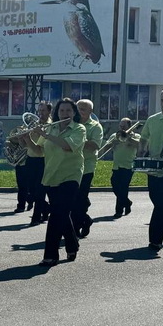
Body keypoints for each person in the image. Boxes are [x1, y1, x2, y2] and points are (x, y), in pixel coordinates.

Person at [23, 98, 85, 266]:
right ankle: (72, 245)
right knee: (62, 214)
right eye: (62, 111)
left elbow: (67, 145)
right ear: (57, 112)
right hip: (52, 176)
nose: (65, 114)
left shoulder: (79, 129)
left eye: (69, 111)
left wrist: (45, 134)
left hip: (70, 176)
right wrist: (27, 139)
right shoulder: (52, 128)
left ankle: (50, 255)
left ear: (74, 113)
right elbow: (38, 151)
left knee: (56, 215)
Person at [139, 88, 163, 250]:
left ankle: (155, 240)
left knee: (162, 204)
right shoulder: (152, 119)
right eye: (162, 100)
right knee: (159, 203)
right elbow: (143, 137)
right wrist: (141, 151)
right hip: (153, 168)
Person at [68, 99, 103, 239]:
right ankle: (86, 220)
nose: (80, 111)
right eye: (78, 108)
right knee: (73, 199)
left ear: (90, 112)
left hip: (86, 167)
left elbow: (95, 145)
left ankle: (75, 229)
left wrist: (77, 140)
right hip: (70, 166)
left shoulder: (95, 126)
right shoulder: (72, 124)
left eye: (83, 109)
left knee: (80, 198)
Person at [108, 117, 141, 218]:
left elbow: (139, 145)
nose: (122, 129)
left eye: (124, 127)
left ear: (130, 127)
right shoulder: (115, 136)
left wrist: (128, 137)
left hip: (128, 166)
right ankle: (127, 203)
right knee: (115, 185)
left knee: (123, 188)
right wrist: (112, 144)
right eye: (120, 126)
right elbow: (106, 147)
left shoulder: (136, 136)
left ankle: (118, 211)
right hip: (116, 166)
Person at [27, 102, 52, 225]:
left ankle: (36, 217)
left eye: (43, 111)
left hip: (43, 160)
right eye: (39, 110)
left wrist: (33, 135)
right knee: (31, 189)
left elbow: (40, 147)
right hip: (31, 158)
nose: (40, 113)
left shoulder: (50, 126)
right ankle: (46, 208)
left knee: (40, 189)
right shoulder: (35, 125)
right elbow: (27, 144)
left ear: (49, 112)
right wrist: (22, 137)